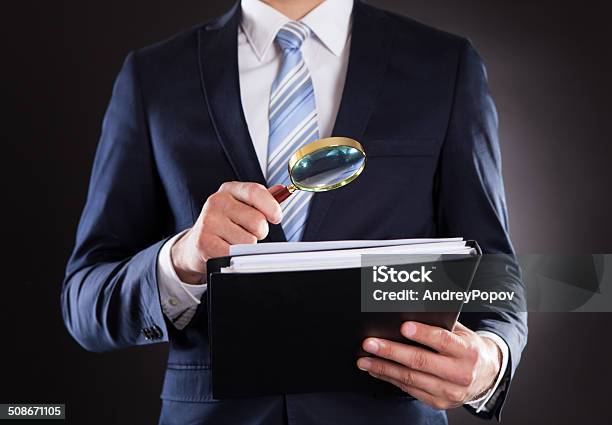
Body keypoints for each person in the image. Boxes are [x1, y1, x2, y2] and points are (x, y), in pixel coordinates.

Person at [62, 0, 527, 423]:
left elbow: (494, 268)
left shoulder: (444, 64)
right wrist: (181, 260)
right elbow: (84, 301)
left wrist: (491, 359)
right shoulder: (152, 76)